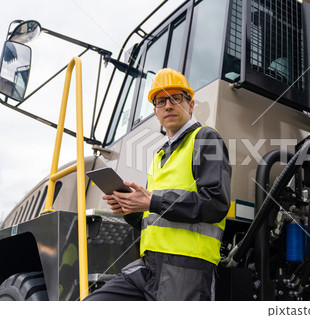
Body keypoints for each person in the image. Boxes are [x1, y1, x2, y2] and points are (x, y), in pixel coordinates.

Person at [85, 68, 231, 301]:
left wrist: (152, 201)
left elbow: (216, 203)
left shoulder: (206, 138)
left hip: (186, 267)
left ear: (191, 105)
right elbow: (156, 216)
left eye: (176, 98)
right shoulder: (161, 154)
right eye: (160, 101)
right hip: (149, 266)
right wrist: (129, 208)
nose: (168, 106)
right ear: (155, 111)